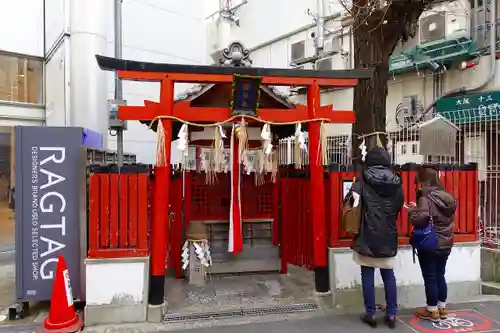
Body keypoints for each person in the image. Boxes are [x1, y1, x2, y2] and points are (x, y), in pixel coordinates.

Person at [345, 147, 404, 329]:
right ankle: (392, 314)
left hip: (366, 234)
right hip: (388, 233)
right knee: (388, 275)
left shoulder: (361, 181)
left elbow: (351, 204)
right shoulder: (396, 182)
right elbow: (398, 206)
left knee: (367, 274)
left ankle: (370, 313)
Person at [408, 166, 456, 321]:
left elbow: (420, 219)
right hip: (446, 242)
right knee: (440, 274)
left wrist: (412, 210)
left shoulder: (425, 196)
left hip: (430, 242)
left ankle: (432, 311)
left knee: (430, 277)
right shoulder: (447, 196)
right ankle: (442, 307)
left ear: (423, 179)